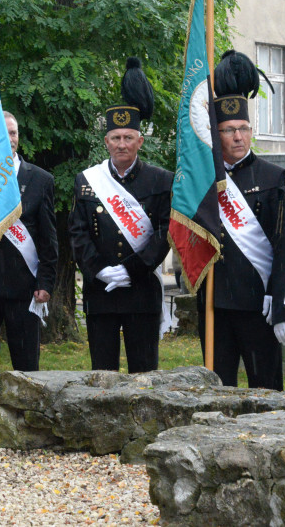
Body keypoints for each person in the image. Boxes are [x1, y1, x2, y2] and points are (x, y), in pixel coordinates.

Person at [70, 58, 173, 373]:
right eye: (116, 138)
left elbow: (164, 232)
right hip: (101, 293)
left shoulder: (160, 180)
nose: (122, 144)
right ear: (106, 142)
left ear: (140, 141)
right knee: (102, 375)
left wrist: (131, 270)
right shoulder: (88, 180)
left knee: (145, 376)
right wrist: (100, 270)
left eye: (129, 138)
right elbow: (78, 233)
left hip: (141, 291)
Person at [196, 50, 285, 390]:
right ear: (216, 134)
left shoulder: (274, 178)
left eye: (243, 129)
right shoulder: (204, 179)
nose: (237, 137)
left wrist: (278, 301)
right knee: (217, 392)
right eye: (228, 130)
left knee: (266, 390)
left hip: (257, 304)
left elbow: (283, 248)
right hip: (215, 303)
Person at [0, 111, 58, 389]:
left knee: (27, 365)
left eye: (14, 132)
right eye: (3, 133)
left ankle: (29, 422)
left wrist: (46, 282)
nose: (10, 138)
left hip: (25, 287)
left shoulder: (40, 180)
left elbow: (48, 239)